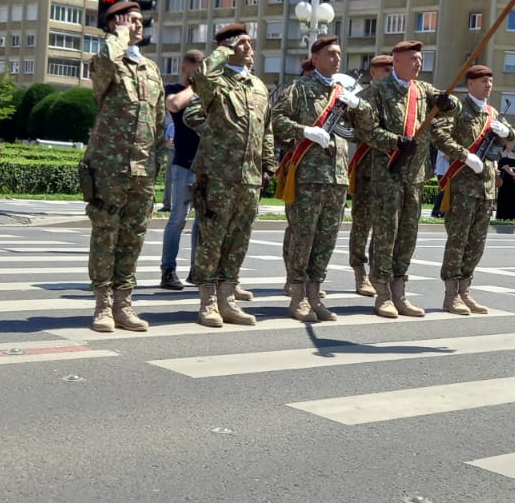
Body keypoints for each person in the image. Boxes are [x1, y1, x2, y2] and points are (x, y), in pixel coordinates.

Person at [270, 34, 377, 323]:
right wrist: (304, 131)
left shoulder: (342, 92)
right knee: (303, 238)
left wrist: (359, 105)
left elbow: (365, 129)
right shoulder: (299, 89)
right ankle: (297, 297)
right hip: (307, 176)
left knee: (327, 240)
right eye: (330, 53)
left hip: (337, 177)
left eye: (339, 54)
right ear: (315, 57)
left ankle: (315, 294)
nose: (337, 58)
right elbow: (275, 121)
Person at [79, 0, 165, 333]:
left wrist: (157, 162)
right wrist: (118, 37)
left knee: (133, 238)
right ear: (115, 24)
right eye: (131, 20)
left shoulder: (151, 69)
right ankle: (102, 305)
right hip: (109, 169)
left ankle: (123, 303)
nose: (139, 25)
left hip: (142, 171)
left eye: (141, 20)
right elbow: (103, 64)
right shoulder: (107, 64)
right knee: (105, 237)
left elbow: (158, 123)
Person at [355, 40, 455, 318]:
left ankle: (400, 291)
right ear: (396, 61)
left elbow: (451, 107)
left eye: (420, 59)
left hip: (415, 176)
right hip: (387, 172)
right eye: (413, 59)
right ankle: (383, 293)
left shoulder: (423, 90)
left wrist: (450, 102)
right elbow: (365, 130)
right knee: (386, 234)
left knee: (408, 236)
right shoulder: (377, 91)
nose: (418, 63)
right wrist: (394, 141)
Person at [184, 23, 273, 328]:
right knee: (212, 239)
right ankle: (208, 300)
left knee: (238, 240)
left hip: (250, 176)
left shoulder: (259, 86)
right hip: (217, 174)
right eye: (242, 43)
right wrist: (223, 48)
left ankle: (227, 297)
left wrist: (268, 164)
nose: (249, 48)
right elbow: (200, 78)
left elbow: (267, 130)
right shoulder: (216, 82)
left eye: (250, 43)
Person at [431, 64, 515, 314]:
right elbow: (439, 134)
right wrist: (464, 155)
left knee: (477, 243)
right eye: (482, 81)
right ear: (470, 84)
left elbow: (512, 135)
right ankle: (450, 295)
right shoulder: (457, 107)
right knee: (458, 240)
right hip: (461, 185)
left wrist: (507, 132)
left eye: (490, 81)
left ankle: (465, 291)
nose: (488, 85)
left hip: (486, 187)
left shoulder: (492, 112)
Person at [346, 53, 392, 295]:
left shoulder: (396, 99)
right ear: (373, 73)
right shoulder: (362, 98)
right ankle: (359, 271)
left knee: (384, 225)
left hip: (390, 169)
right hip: (367, 168)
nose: (388, 74)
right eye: (384, 70)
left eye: (391, 70)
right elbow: (348, 132)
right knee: (362, 223)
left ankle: (377, 271)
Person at [160, 49, 205, 289]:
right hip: (183, 164)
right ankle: (168, 270)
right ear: (185, 68)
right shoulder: (174, 90)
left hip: (205, 165)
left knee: (201, 221)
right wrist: (196, 86)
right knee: (178, 219)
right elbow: (174, 105)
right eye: (195, 69)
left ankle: (196, 270)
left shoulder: (204, 93)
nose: (199, 75)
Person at [494, 156, 515, 221]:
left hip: (514, 181)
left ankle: (514, 217)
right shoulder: (502, 156)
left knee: (514, 199)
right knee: (504, 198)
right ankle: (502, 217)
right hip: (505, 180)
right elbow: (506, 168)